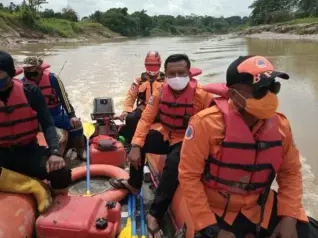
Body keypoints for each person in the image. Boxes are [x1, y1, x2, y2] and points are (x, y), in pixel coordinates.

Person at [179, 55, 317, 238]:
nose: (269, 96)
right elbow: (189, 177)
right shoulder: (204, 124)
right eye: (260, 90)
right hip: (218, 210)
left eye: (273, 87)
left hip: (260, 207)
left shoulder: (281, 126)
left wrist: (289, 218)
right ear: (235, 95)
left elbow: (290, 172)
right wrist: (211, 228)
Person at [110, 54, 214, 238]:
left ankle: (155, 214)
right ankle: (134, 183)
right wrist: (135, 145)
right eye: (171, 73)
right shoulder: (160, 92)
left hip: (187, 139)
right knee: (139, 142)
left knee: (174, 164)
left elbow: (213, 125)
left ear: (189, 73)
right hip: (166, 133)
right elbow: (146, 118)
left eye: (181, 73)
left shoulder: (202, 95)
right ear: (166, 74)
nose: (176, 77)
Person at [0, 50, 71, 214]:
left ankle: (58, 211)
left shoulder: (30, 92)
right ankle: (34, 186)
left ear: (9, 73)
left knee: (61, 172)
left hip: (28, 150)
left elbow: (48, 124)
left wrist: (55, 152)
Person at [21, 57, 85, 160]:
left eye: (30, 69)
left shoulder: (52, 78)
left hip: (56, 113)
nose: (27, 72)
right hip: (37, 117)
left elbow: (64, 98)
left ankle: (80, 152)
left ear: (39, 68)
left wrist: (72, 115)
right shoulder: (22, 84)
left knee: (77, 125)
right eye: (25, 69)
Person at [118, 51, 166, 144]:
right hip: (144, 108)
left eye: (155, 65)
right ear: (145, 65)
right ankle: (133, 141)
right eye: (149, 65)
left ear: (159, 65)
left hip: (160, 109)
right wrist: (126, 111)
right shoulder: (138, 80)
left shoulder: (166, 80)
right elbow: (130, 96)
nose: (152, 69)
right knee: (131, 119)